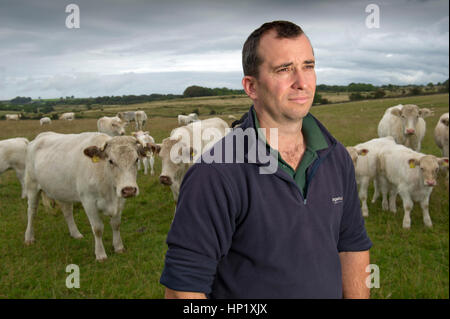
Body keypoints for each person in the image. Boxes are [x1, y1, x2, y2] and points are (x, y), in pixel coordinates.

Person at [160, 20, 372, 299]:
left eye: (308, 66)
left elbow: (352, 246)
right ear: (252, 86)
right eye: (284, 69)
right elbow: (182, 290)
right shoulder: (215, 173)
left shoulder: (336, 157)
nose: (302, 82)